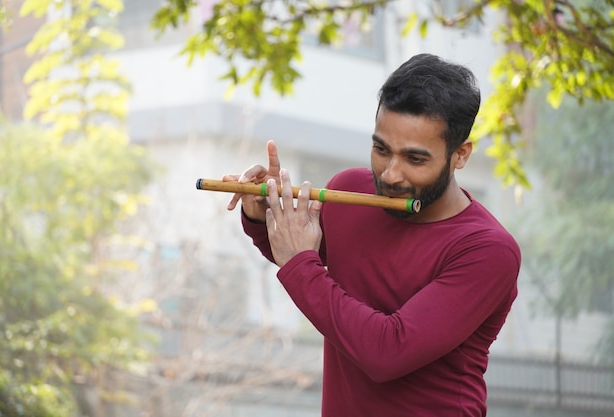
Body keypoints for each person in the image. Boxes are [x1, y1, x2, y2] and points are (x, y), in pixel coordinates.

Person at [222, 53, 521, 417]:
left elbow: (386, 353)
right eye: (381, 149)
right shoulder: (349, 190)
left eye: (415, 159)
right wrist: (263, 212)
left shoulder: (488, 250)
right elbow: (300, 252)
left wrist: (300, 263)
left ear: (460, 155)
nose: (391, 174)